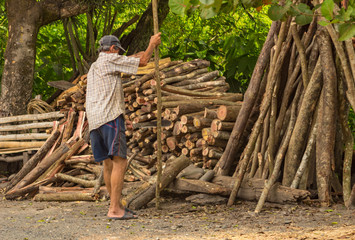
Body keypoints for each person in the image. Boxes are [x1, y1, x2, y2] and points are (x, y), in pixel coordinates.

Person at [86, 33, 161, 220]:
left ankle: (116, 205)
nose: (119, 54)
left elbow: (108, 92)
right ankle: (114, 209)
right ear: (112, 49)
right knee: (120, 161)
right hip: (109, 118)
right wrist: (152, 44)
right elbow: (142, 61)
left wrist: (122, 115)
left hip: (96, 119)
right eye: (118, 51)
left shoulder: (95, 66)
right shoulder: (111, 60)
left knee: (108, 162)